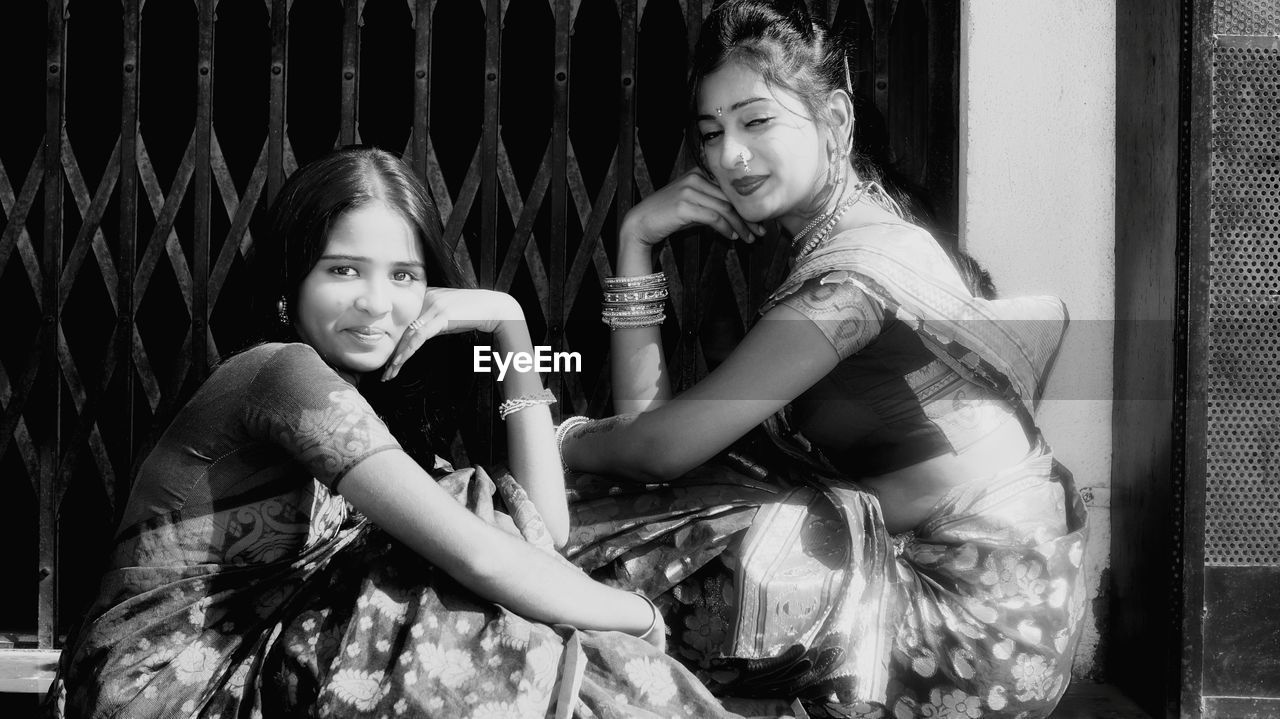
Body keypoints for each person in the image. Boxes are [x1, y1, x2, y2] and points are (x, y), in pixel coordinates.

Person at [44, 147, 740, 719]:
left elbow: (544, 529)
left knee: (470, 510)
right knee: (469, 591)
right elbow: (485, 560)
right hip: (166, 689)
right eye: (343, 270)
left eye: (403, 275)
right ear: (291, 279)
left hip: (256, 667)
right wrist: (637, 612)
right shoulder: (280, 374)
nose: (376, 302)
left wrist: (508, 321)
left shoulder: (368, 400)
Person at [557, 2, 1088, 717]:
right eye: (710, 134)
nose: (729, 157)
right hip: (995, 603)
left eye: (756, 121)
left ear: (835, 120)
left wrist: (562, 439)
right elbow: (652, 438)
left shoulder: (851, 286)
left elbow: (657, 448)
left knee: (599, 560)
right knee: (639, 523)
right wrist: (638, 238)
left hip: (971, 629)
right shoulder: (855, 239)